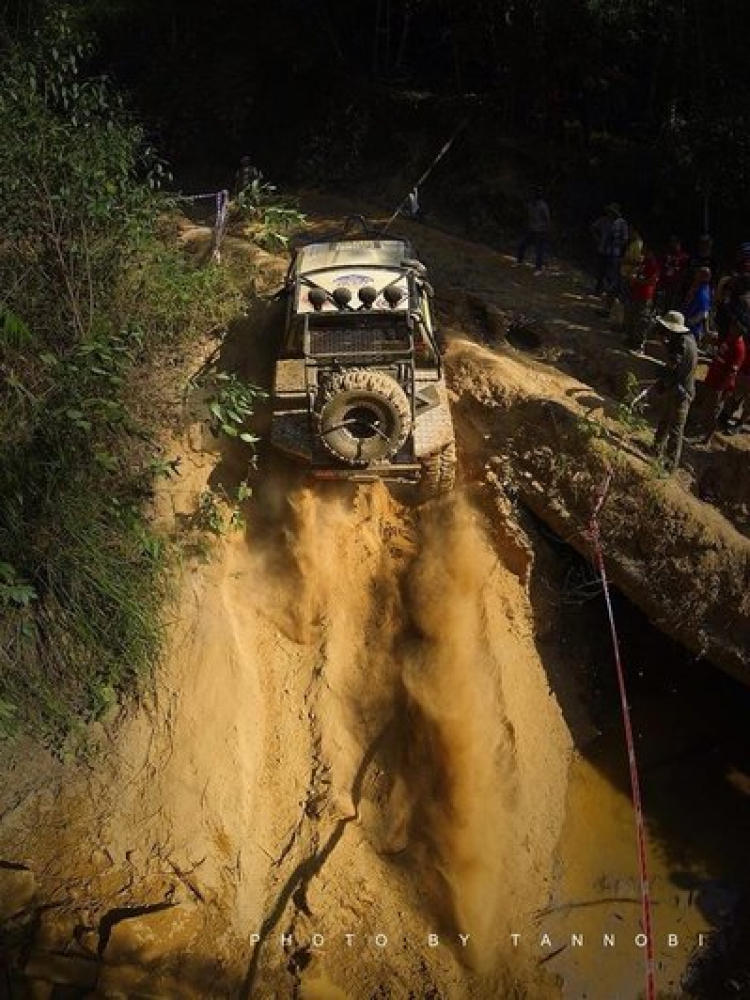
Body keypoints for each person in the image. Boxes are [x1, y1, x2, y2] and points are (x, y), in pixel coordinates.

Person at [649, 310, 698, 472]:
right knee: (665, 418)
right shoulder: (687, 339)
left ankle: (670, 465)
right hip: (678, 388)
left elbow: (672, 366)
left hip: (682, 391)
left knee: (676, 429)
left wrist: (661, 382)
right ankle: (656, 449)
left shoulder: (681, 345)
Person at [693, 322, 746, 444]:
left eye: (734, 327)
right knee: (706, 406)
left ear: (740, 331)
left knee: (713, 412)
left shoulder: (739, 348)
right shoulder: (729, 338)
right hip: (712, 378)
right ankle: (700, 431)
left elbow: (732, 372)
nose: (731, 328)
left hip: (720, 385)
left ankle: (706, 438)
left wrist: (722, 390)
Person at [624, 245, 660, 351]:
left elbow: (652, 281)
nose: (643, 252)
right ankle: (630, 338)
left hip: (645, 296)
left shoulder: (654, 265)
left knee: (641, 320)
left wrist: (637, 280)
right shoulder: (644, 262)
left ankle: (638, 343)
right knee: (631, 316)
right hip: (636, 293)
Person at [591, 203, 628, 302]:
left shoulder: (621, 223)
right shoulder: (603, 220)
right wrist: (598, 239)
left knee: (611, 274)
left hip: (614, 252)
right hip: (602, 249)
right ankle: (598, 289)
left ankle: (609, 293)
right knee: (600, 271)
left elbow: (625, 239)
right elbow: (593, 228)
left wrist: (617, 243)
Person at [517, 189, 552, 274]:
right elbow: (529, 217)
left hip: (540, 231)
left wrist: (546, 230)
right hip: (531, 229)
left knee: (539, 250)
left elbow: (547, 219)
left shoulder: (543, 206)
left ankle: (538, 269)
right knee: (522, 244)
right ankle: (519, 261)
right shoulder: (530, 205)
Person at [657, 236, 689, 312]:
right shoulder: (666, 254)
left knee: (672, 306)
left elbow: (685, 271)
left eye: (676, 243)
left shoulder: (684, 256)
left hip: (676, 286)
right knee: (662, 304)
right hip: (665, 283)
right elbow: (661, 266)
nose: (674, 245)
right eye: (672, 243)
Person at [682, 266, 712, 345]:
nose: (696, 276)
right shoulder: (698, 288)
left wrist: (686, 323)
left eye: (698, 275)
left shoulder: (703, 294)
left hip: (691, 331)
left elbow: (703, 313)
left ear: (704, 278)